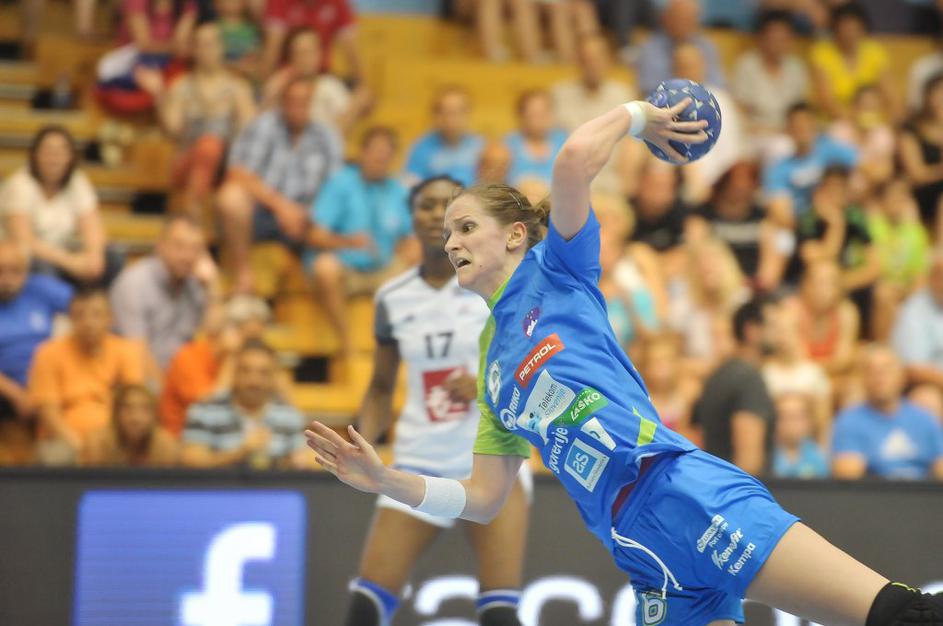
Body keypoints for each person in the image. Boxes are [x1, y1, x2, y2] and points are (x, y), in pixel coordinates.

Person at [308, 99, 943, 625]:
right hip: (638, 548)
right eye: (447, 233)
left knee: (898, 616)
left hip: (682, 491)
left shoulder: (557, 271)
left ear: (515, 234)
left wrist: (642, 115)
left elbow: (573, 160)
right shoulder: (493, 367)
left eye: (466, 226)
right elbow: (483, 499)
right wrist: (384, 480)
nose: (451, 242)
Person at [344, 176, 531, 626]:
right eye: (425, 205)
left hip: (490, 458)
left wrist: (485, 385)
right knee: (364, 609)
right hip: (419, 460)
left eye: (446, 206)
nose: (435, 215)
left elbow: (534, 365)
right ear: (411, 217)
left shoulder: (497, 284)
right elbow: (381, 387)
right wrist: (360, 440)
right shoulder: (392, 297)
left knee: (499, 613)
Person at [217, 77, 343, 293]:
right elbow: (238, 173)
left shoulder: (327, 136)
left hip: (309, 218)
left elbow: (336, 188)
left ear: (312, 104)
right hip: (263, 212)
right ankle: (243, 275)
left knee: (341, 217)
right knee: (231, 198)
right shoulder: (262, 126)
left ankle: (322, 283)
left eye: (304, 102)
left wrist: (307, 215)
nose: (298, 108)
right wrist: (282, 207)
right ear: (282, 102)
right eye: (292, 101)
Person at [308, 127, 417, 357]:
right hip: (346, 267)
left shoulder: (397, 191)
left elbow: (410, 236)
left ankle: (401, 348)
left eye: (386, 153)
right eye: (376, 150)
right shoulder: (341, 183)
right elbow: (315, 235)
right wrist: (347, 242)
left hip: (383, 268)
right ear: (362, 153)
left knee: (417, 266)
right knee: (324, 268)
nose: (381, 157)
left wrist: (408, 250)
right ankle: (347, 343)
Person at [146, 21, 256, 219]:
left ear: (222, 47)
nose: (206, 50)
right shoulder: (181, 87)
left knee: (214, 148)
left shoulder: (238, 88)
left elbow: (249, 131)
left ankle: (194, 211)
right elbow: (173, 129)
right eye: (200, 44)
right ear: (193, 49)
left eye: (211, 44)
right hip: (187, 162)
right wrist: (159, 95)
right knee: (208, 146)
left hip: (226, 164)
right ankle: (193, 209)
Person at [28, 287, 146, 463]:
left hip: (116, 439)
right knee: (54, 458)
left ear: (110, 318)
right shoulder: (48, 353)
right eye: (80, 315)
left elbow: (133, 403)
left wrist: (110, 443)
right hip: (63, 440)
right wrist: (80, 446)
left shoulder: (126, 351)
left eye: (97, 315)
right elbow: (48, 412)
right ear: (70, 319)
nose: (88, 322)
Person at [0, 126, 112, 286]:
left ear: (71, 157)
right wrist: (70, 262)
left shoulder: (77, 181)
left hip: (64, 253)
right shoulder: (19, 184)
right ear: (34, 155)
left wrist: (95, 255)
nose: (54, 158)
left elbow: (93, 226)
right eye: (48, 152)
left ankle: (90, 300)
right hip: (31, 257)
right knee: (42, 267)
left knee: (112, 256)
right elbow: (24, 241)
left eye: (60, 152)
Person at [110, 216, 219, 372]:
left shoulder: (197, 283)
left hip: (185, 377)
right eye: (179, 246)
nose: (187, 256)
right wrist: (164, 388)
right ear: (160, 245)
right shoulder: (134, 284)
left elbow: (214, 341)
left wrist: (212, 287)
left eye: (195, 249)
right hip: (143, 380)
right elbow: (138, 356)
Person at [181, 339, 309, 469]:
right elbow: (191, 462)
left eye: (263, 372)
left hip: (275, 482)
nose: (254, 381)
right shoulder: (205, 411)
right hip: (221, 482)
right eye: (245, 371)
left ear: (274, 378)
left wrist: (292, 463)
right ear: (234, 374)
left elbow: (302, 459)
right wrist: (240, 453)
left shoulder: (289, 416)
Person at [832, 344, 943, 481]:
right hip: (874, 491)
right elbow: (847, 475)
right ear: (863, 379)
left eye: (886, 370)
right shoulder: (849, 422)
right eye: (872, 371)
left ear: (902, 375)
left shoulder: (923, 418)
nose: (880, 378)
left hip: (921, 491)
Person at [404, 87, 485, 188]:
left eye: (457, 112)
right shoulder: (421, 148)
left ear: (467, 113)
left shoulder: (480, 145)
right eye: (445, 112)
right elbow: (412, 186)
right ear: (436, 115)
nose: (451, 119)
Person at [82, 384, 179, 467]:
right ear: (116, 414)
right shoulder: (97, 444)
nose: (136, 418)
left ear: (154, 415)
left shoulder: (166, 446)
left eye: (144, 410)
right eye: (127, 409)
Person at [771, 392, 829, 479]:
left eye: (797, 417)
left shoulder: (818, 455)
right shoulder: (766, 456)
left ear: (809, 422)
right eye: (783, 417)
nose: (790, 423)